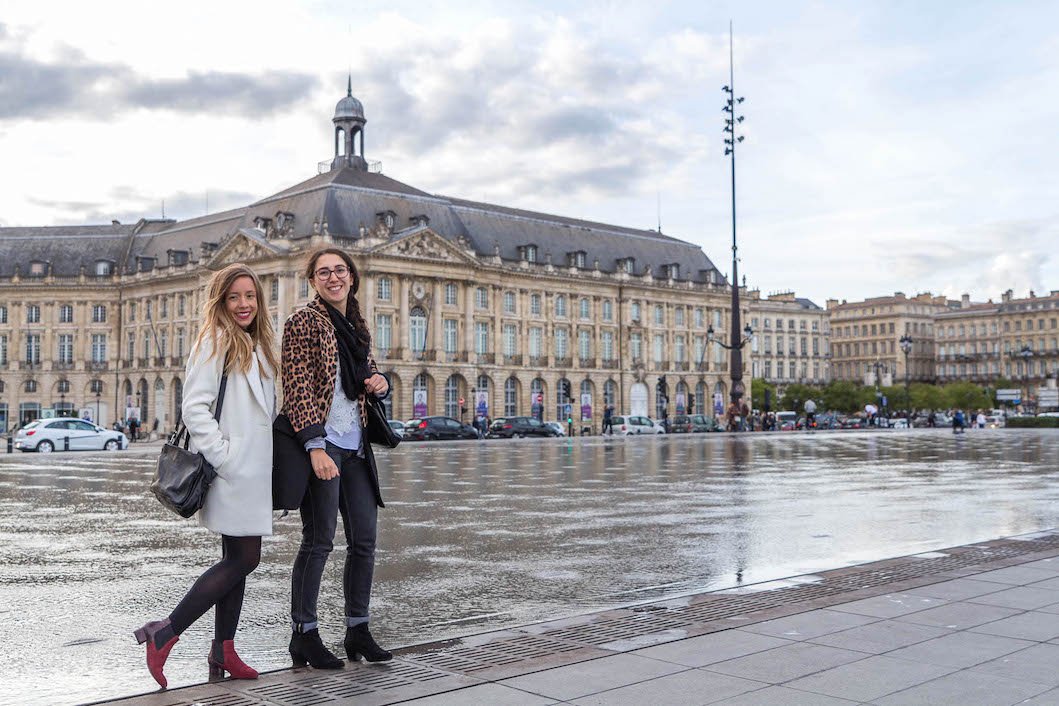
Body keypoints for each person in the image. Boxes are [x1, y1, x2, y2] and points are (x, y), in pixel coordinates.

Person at [134, 263, 278, 688]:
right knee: (245, 558)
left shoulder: (258, 342)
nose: (243, 304)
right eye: (234, 297)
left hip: (252, 469)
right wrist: (226, 457)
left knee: (237, 560)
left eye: (250, 296)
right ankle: (166, 632)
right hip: (234, 469)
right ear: (220, 301)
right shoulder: (216, 339)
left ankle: (223, 650)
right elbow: (194, 407)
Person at [283, 247, 392, 669]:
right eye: (324, 272)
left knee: (364, 540)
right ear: (313, 280)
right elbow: (296, 388)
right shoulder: (303, 321)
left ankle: (357, 630)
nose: (334, 278)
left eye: (340, 270)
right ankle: (304, 633)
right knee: (319, 540)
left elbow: (365, 375)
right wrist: (313, 446)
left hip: (356, 445)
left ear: (351, 277)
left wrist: (380, 382)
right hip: (323, 445)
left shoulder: (357, 324)